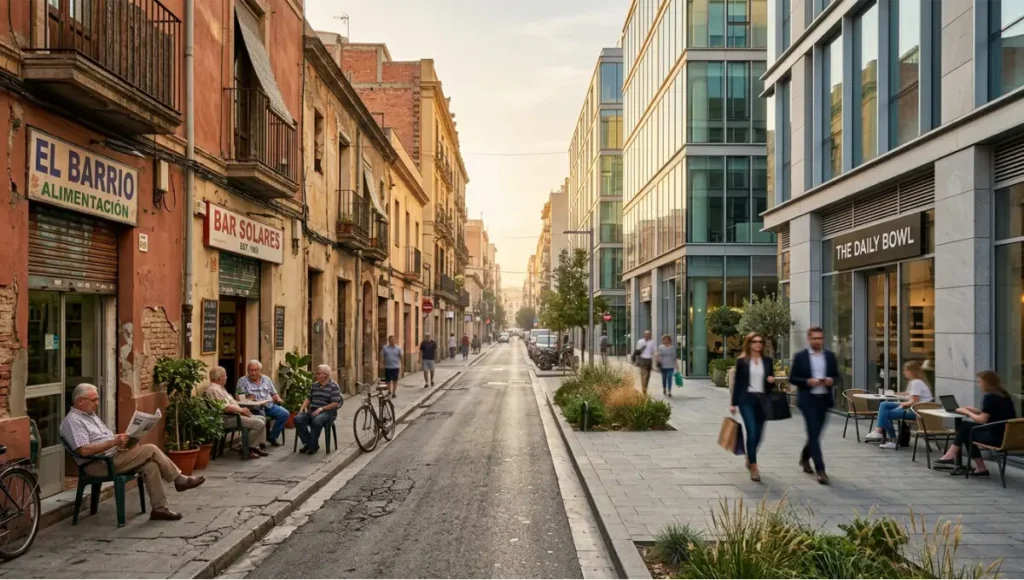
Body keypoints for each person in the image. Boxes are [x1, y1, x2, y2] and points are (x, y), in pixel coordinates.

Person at [60, 384, 205, 521]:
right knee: (151, 449)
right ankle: (179, 479)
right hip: (99, 464)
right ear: (80, 401)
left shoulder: (90, 415)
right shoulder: (73, 421)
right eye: (94, 400)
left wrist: (124, 439)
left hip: (114, 455)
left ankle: (159, 508)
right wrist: (114, 442)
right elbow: (84, 450)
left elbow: (104, 439)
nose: (97, 403)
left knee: (151, 465)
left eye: (97, 399)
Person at [933, 371, 1018, 476]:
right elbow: (994, 414)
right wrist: (976, 411)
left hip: (996, 438)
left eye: (979, 382)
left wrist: (966, 412)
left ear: (987, 383)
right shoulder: (1004, 395)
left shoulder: (990, 397)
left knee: (966, 428)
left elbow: (981, 420)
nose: (978, 384)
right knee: (967, 430)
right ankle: (977, 467)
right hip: (1006, 436)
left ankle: (950, 456)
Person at [789, 327, 840, 485]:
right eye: (815, 338)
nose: (818, 341)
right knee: (813, 432)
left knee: (815, 435)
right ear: (809, 339)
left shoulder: (830, 356)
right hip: (808, 400)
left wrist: (832, 380)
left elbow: (837, 376)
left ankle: (805, 458)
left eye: (820, 338)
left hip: (824, 399)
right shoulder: (800, 357)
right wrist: (807, 382)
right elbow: (792, 378)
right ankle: (821, 470)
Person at [730, 332, 776, 482]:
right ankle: (754, 466)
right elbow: (737, 384)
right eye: (755, 341)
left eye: (760, 341)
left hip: (762, 400)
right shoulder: (742, 361)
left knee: (759, 435)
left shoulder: (768, 361)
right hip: (746, 400)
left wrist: (771, 380)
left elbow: (771, 383)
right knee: (751, 430)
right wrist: (733, 403)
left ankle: (750, 456)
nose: (758, 344)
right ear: (749, 343)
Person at [865, 360, 934, 448]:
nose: (904, 372)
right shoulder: (917, 382)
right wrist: (900, 396)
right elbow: (912, 395)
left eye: (905, 370)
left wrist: (902, 405)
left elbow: (914, 401)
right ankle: (879, 431)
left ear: (911, 371)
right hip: (917, 409)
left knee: (886, 413)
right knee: (884, 404)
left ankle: (892, 439)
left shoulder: (916, 383)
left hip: (917, 412)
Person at [206, 367, 268, 459]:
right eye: (225, 376)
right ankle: (245, 447)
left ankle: (253, 447)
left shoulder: (220, 388)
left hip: (233, 415)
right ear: (219, 378)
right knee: (258, 423)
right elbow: (225, 407)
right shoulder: (214, 390)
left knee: (262, 418)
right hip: (227, 418)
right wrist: (241, 410)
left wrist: (241, 410)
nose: (226, 378)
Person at [236, 360, 289, 446]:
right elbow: (238, 398)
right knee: (262, 415)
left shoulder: (266, 379)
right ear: (247, 370)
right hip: (254, 408)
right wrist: (248, 398)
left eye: (255, 370)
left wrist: (278, 398)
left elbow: (273, 392)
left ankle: (272, 436)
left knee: (285, 413)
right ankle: (261, 442)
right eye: (250, 370)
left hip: (269, 405)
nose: (253, 373)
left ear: (261, 370)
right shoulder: (242, 381)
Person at [295, 365, 343, 454]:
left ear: (325, 375)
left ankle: (311, 445)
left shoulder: (334, 386)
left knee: (317, 421)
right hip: (312, 410)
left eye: (318, 373)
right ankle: (311, 444)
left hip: (327, 412)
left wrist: (321, 409)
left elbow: (335, 403)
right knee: (298, 419)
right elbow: (308, 398)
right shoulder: (315, 385)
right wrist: (302, 408)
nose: (316, 375)